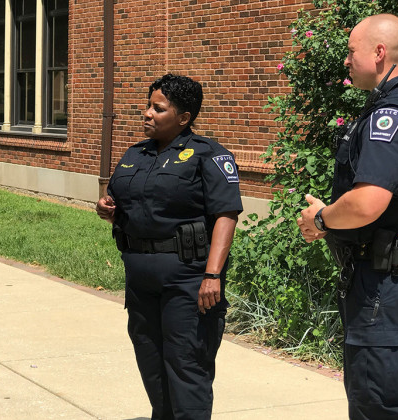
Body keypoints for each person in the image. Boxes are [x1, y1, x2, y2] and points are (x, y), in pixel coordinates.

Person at [297, 14, 398, 419]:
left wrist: (321, 219)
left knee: (378, 404)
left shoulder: (394, 113)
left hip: (389, 285)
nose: (346, 61)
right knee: (377, 399)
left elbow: (367, 202)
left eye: (351, 52)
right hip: (392, 282)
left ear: (379, 53)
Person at [96, 74, 242, 419]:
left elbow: (226, 215)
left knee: (186, 362)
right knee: (150, 360)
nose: (146, 113)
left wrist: (213, 275)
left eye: (157, 108)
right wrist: (106, 209)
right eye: (148, 105)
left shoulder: (209, 156)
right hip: (140, 278)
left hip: (188, 280)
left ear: (183, 118)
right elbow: (123, 203)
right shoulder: (135, 155)